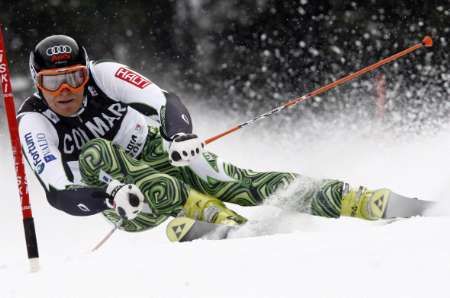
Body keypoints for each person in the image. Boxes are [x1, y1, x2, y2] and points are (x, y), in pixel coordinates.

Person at [18, 35, 430, 234]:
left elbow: (165, 99)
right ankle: (208, 219)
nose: (67, 92)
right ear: (38, 83)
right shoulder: (34, 121)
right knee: (94, 155)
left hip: (160, 151)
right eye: (55, 83)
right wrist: (106, 197)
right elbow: (57, 191)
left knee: (237, 183)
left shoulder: (104, 75)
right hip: (123, 198)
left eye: (74, 77)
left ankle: (359, 199)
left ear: (86, 71)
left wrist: (181, 136)